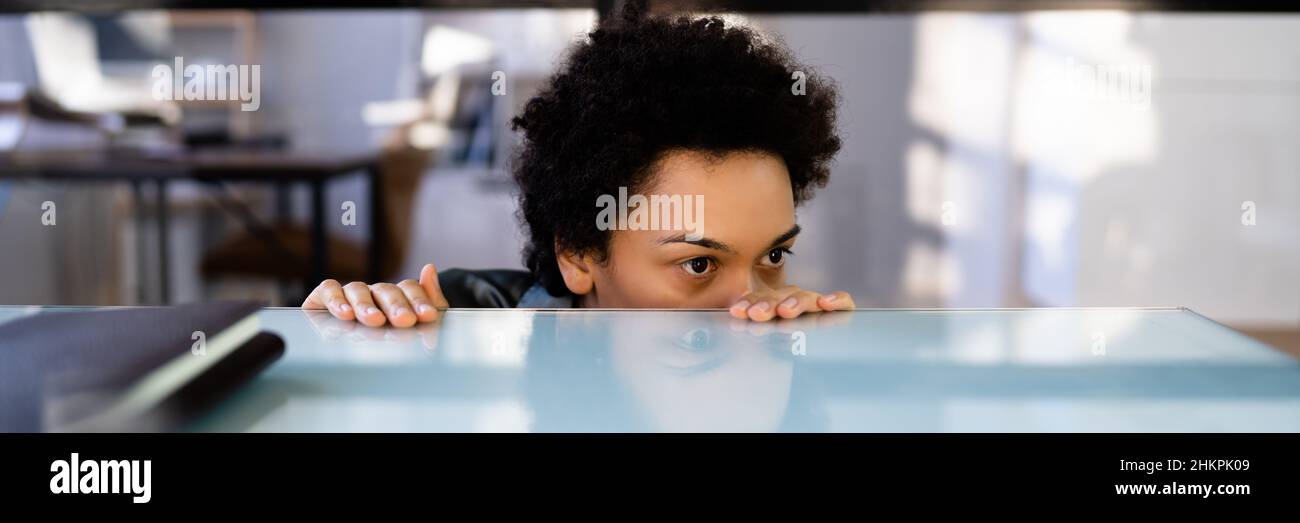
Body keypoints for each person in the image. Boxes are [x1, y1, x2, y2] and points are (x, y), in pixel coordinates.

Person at [303, 2, 854, 325]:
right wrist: (346, 325)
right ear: (578, 254)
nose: (751, 304)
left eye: (775, 255)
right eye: (699, 265)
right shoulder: (461, 316)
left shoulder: (780, 352)